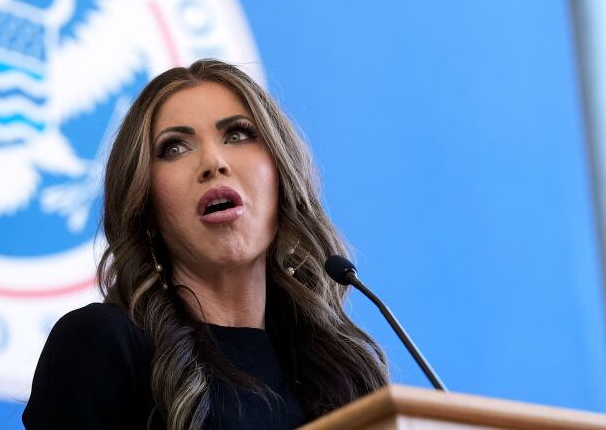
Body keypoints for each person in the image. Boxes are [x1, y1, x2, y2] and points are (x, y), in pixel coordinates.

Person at [23, 59, 389, 429]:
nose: (213, 162)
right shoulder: (101, 344)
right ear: (145, 205)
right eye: (175, 148)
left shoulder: (345, 368)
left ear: (282, 177)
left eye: (237, 135)